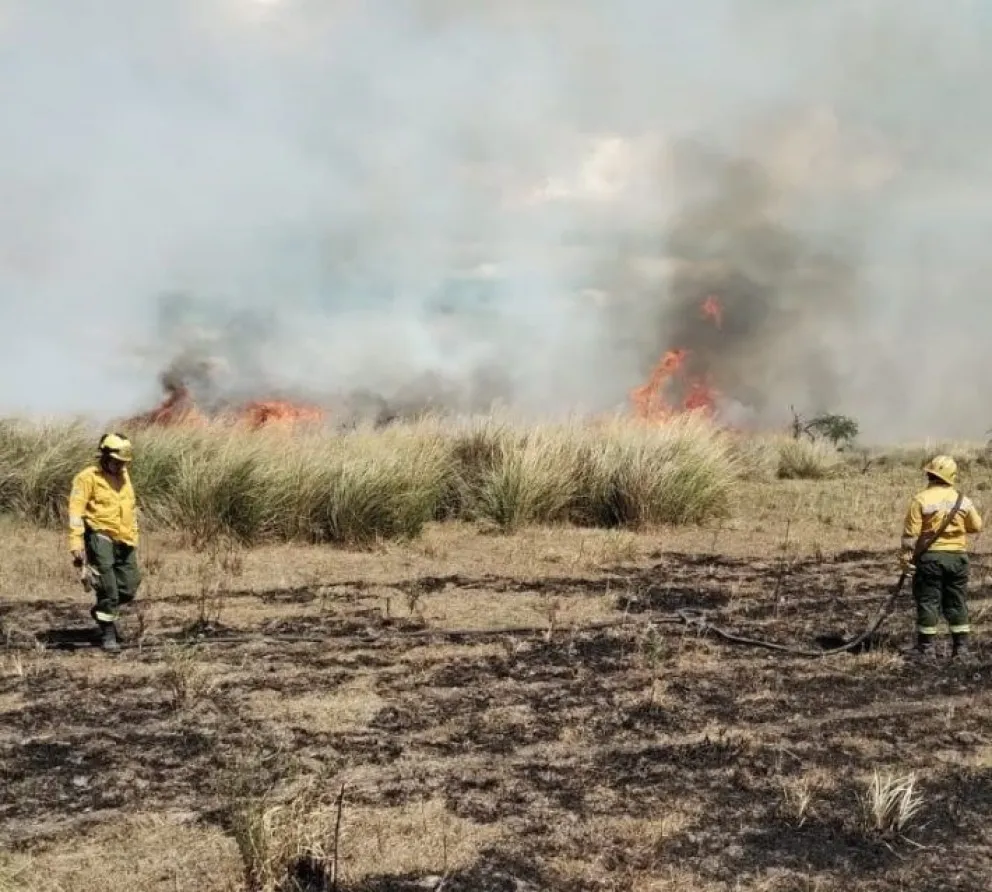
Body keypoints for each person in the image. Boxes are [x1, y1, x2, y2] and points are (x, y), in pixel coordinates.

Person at [900, 454, 982, 660]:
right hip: (958, 559)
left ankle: (926, 649)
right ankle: (961, 650)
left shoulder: (921, 499)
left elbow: (910, 536)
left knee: (929, 601)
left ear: (930, 474)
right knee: (956, 601)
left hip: (930, 559)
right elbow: (976, 526)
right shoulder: (963, 500)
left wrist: (905, 560)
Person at [68, 433, 142, 652]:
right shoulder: (87, 478)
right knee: (108, 588)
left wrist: (134, 534)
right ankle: (108, 634)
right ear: (104, 456)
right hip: (100, 537)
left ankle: (102, 612)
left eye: (124, 463)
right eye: (117, 462)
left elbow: (129, 506)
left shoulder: (124, 476)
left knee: (129, 587)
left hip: (125, 538)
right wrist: (76, 543)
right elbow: (75, 511)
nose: (120, 466)